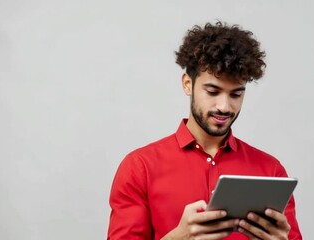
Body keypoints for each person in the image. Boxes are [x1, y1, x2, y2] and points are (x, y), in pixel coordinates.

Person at [108, 21, 302, 240]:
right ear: (187, 84)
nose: (224, 107)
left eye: (236, 95)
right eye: (212, 91)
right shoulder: (139, 167)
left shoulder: (271, 170)